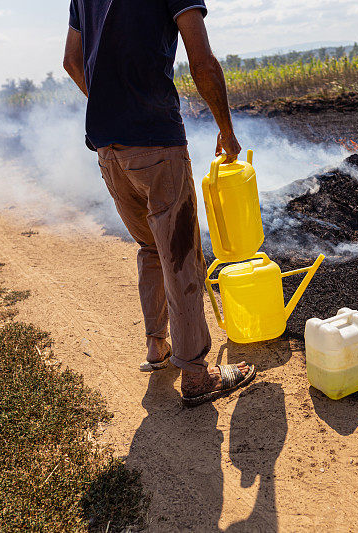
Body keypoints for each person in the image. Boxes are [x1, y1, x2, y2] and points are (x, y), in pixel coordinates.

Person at [63, 0, 255, 406]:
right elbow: (202, 62)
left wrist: (111, 108)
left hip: (108, 147)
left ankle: (157, 346)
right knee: (181, 255)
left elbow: (71, 62)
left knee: (150, 245)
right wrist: (227, 130)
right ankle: (197, 375)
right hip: (156, 141)